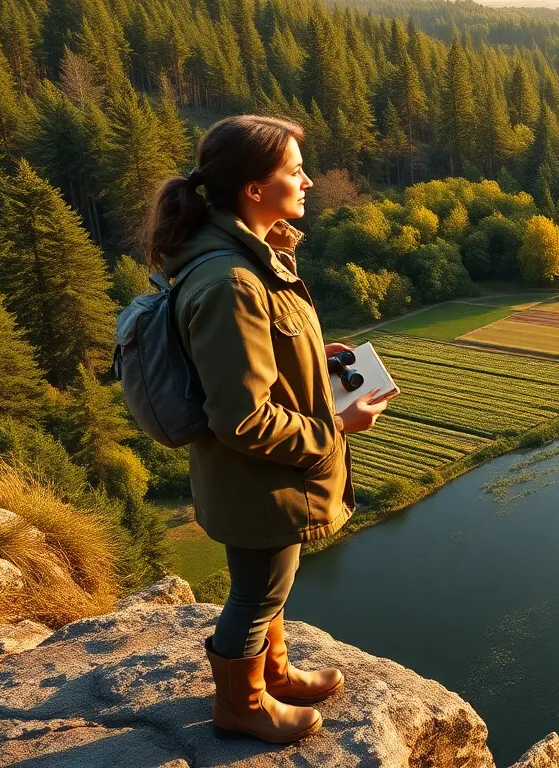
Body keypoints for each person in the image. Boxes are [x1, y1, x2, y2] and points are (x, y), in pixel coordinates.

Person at [143, 115, 388, 743]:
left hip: (253, 479)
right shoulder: (232, 281)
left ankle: (272, 674)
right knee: (255, 596)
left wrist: (316, 357)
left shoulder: (243, 259)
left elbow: (256, 363)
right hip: (259, 479)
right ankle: (240, 705)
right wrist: (337, 424)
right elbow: (243, 416)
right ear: (254, 189)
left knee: (267, 586)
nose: (308, 181)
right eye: (295, 170)